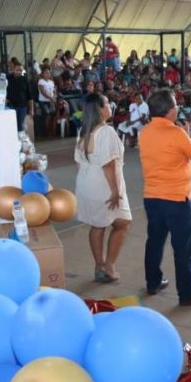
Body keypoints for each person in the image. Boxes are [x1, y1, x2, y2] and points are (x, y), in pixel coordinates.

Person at [138, 88, 191, 306]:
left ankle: (153, 282)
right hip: (176, 199)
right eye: (176, 106)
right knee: (183, 247)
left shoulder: (145, 132)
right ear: (170, 111)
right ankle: (187, 293)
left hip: (152, 197)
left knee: (155, 241)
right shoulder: (176, 133)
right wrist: (188, 133)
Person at [75, 93, 132, 283]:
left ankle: (99, 265)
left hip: (86, 182)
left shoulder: (84, 131)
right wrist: (115, 191)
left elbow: (78, 162)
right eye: (107, 103)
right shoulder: (106, 132)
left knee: (98, 224)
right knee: (122, 223)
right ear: (100, 108)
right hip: (103, 184)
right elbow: (109, 165)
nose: (110, 105)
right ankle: (109, 266)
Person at [7, 63, 34, 132]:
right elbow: (1, 92)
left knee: (20, 125)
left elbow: (29, 95)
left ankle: (20, 140)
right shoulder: (7, 79)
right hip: (10, 106)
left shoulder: (24, 79)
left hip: (22, 107)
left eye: (21, 70)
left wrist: (31, 109)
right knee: (11, 125)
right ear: (13, 70)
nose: (19, 72)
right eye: (17, 70)